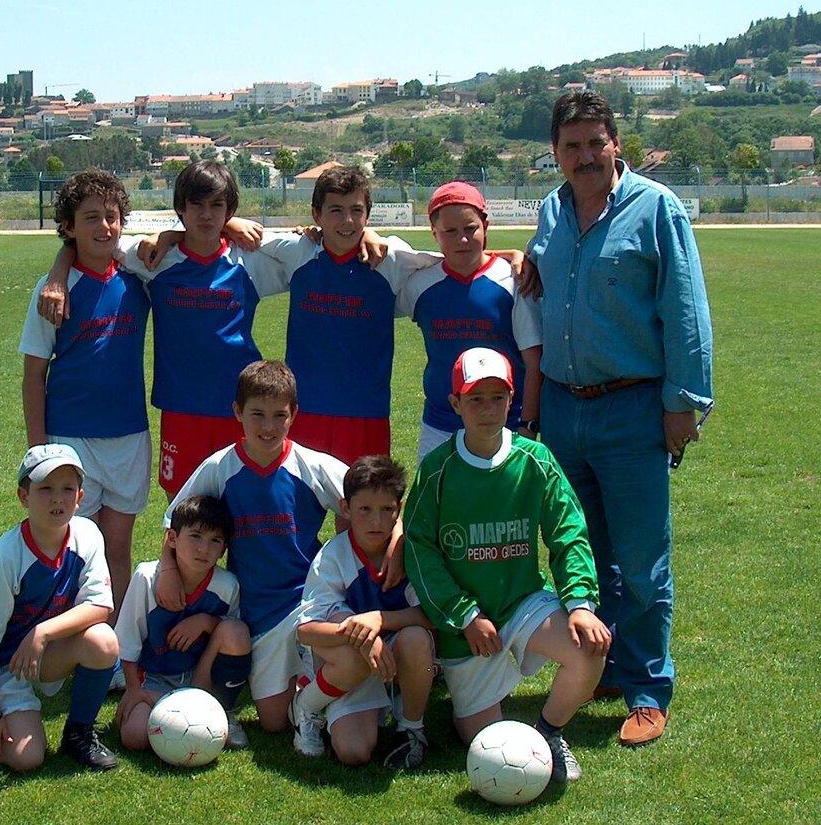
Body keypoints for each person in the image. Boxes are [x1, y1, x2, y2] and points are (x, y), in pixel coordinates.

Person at [527, 89, 713, 746]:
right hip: (561, 411)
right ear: (555, 153)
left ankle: (647, 688)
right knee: (585, 552)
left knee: (640, 559)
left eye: (594, 143)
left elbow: (685, 310)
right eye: (570, 146)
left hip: (634, 407)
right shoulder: (550, 212)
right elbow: (543, 277)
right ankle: (603, 664)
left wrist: (683, 403)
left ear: (616, 145)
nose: (584, 156)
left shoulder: (655, 208)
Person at [403, 348, 610, 784]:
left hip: (520, 605)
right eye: (475, 399)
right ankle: (475, 698)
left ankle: (550, 733)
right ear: (455, 403)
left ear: (512, 399)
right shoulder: (437, 470)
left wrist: (579, 603)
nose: (487, 409)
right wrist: (464, 616)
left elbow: (568, 534)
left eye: (498, 398)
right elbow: (420, 552)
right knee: (484, 741)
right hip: (467, 624)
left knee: (591, 648)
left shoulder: (536, 460)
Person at [39, 160, 287, 499]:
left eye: (217, 205)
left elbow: (314, 248)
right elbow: (91, 241)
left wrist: (232, 226)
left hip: (239, 410)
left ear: (229, 209)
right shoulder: (155, 259)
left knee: (243, 508)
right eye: (196, 205)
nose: (206, 215)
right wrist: (57, 274)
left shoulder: (250, 260)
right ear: (180, 208)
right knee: (184, 512)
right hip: (181, 411)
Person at [156, 360, 351, 733]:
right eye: (257, 414)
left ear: (293, 415)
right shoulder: (221, 467)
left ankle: (318, 695)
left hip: (310, 602)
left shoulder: (309, 465)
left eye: (279, 415)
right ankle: (302, 694)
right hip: (256, 611)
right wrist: (167, 569)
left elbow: (365, 500)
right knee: (275, 723)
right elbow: (172, 520)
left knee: (331, 689)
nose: (268, 426)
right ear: (237, 412)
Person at [19, 168, 150, 618]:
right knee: (77, 550)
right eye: (90, 217)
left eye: (112, 216)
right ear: (69, 227)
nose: (104, 227)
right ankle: (72, 641)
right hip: (72, 438)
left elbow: (179, 242)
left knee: (118, 550)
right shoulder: (52, 291)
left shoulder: (138, 279)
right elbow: (33, 374)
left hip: (130, 435)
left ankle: (116, 647)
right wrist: (40, 451)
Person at [256, 166, 441, 463]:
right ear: (316, 214)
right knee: (302, 507)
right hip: (304, 411)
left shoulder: (389, 258)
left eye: (357, 210)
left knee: (360, 507)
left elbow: (458, 264)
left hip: (365, 414)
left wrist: (509, 256)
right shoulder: (297, 251)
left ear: (368, 215)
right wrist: (179, 233)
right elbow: (232, 236)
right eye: (336, 210)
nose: (348, 221)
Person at [0, 444, 120, 772]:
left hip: (41, 650)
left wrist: (42, 633)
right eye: (45, 488)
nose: (57, 498)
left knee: (104, 642)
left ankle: (79, 734)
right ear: (23, 496)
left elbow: (100, 606)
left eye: (67, 489)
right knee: (27, 758)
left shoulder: (88, 534)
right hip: (0, 662)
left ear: (80, 496)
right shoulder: (3, 557)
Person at [294, 455, 434, 769]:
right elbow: (306, 630)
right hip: (354, 662)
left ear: (399, 510)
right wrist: (363, 635)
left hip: (396, 655)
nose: (376, 521)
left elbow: (433, 615)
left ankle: (411, 728)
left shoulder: (413, 555)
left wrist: (379, 620)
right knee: (353, 753)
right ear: (345, 508)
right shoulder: (333, 556)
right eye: (365, 510)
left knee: (416, 638)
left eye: (387, 510)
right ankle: (307, 705)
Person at [398, 182, 542, 462]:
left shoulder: (514, 281)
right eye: (450, 232)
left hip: (505, 424)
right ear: (434, 234)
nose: (461, 240)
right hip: (440, 425)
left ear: (485, 226)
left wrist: (528, 425)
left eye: (470, 229)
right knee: (441, 503)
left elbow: (534, 362)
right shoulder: (418, 285)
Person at [115, 494, 252, 751]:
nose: (204, 549)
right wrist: (133, 689)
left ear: (223, 549)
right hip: (153, 678)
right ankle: (180, 709)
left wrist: (204, 621)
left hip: (199, 676)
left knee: (236, 631)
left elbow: (231, 635)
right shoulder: (147, 578)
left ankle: (222, 709)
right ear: (173, 539)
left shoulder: (227, 585)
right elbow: (127, 642)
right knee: (134, 737)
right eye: (196, 536)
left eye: (215, 541)